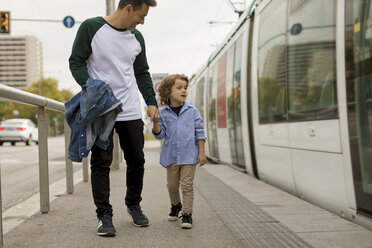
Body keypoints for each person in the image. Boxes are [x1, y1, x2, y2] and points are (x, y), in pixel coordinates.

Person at [68, 0, 159, 237]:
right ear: (128, 8)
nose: (142, 21)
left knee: (137, 160)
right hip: (102, 110)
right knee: (101, 163)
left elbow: (142, 73)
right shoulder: (91, 27)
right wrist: (90, 85)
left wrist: (151, 102)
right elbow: (76, 61)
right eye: (141, 15)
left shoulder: (136, 38)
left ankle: (133, 204)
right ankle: (104, 215)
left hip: (129, 109)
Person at [152, 74, 207, 229]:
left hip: (190, 155)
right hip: (171, 156)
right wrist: (156, 123)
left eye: (185, 88)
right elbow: (159, 135)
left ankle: (187, 214)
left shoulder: (192, 111)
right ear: (168, 92)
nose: (184, 91)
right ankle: (175, 205)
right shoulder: (163, 113)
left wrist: (201, 153)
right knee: (171, 185)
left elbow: (199, 133)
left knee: (187, 185)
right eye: (179, 88)